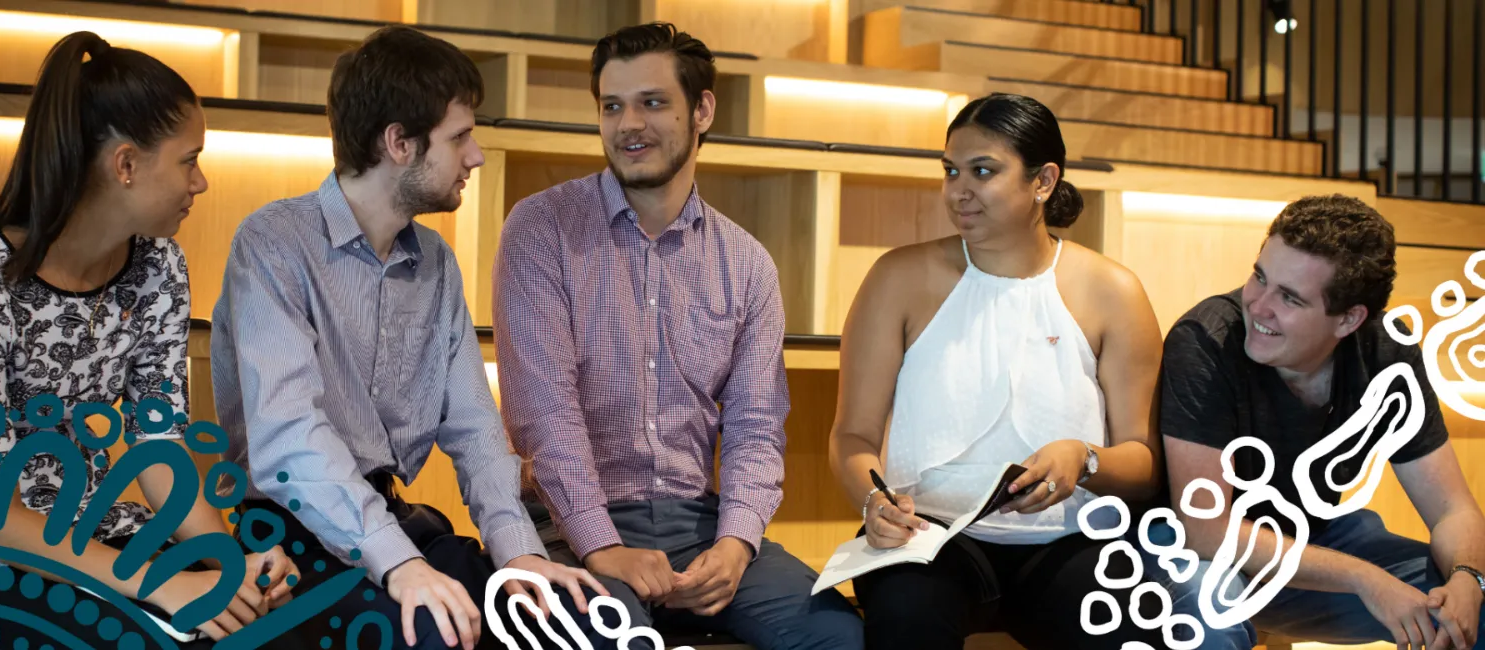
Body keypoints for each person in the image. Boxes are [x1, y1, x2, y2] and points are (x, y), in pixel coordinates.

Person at [0, 31, 300, 648]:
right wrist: (161, 582)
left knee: (262, 626)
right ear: (125, 165)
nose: (201, 182)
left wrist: (227, 565)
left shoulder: (159, 268)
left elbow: (159, 445)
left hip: (82, 530)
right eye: (188, 160)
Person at [210, 25, 611, 650]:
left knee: (578, 620)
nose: (475, 156)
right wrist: (400, 564)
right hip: (287, 540)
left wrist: (519, 552)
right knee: (436, 632)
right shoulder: (274, 245)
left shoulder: (436, 262)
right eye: (460, 137)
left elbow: (475, 429)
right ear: (399, 143)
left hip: (397, 522)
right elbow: (290, 439)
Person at [491, 21, 864, 650]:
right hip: (564, 530)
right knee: (621, 639)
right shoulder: (541, 230)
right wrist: (602, 546)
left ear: (702, 111)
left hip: (699, 525)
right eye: (612, 106)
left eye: (652, 102)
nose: (628, 124)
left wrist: (736, 544)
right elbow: (543, 416)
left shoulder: (746, 263)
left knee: (835, 633)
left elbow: (755, 427)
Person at [826, 93, 1166, 649]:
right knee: (908, 619)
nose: (958, 190)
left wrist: (1083, 457)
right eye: (951, 171)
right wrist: (874, 502)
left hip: (1072, 539)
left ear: (1043, 180)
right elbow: (853, 434)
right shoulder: (896, 278)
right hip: (927, 535)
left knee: (1127, 629)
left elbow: (1143, 463)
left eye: (982, 171)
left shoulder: (1114, 291)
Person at [1156, 194, 1485, 650]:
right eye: (1259, 276)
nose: (1258, 306)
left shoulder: (1387, 354)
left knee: (1467, 611)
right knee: (1212, 611)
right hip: (1197, 553)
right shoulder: (1206, 341)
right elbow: (1205, 529)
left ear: (1349, 319)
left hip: (1312, 539)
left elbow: (1453, 509)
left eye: (1289, 297)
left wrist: (1469, 579)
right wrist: (1364, 579)